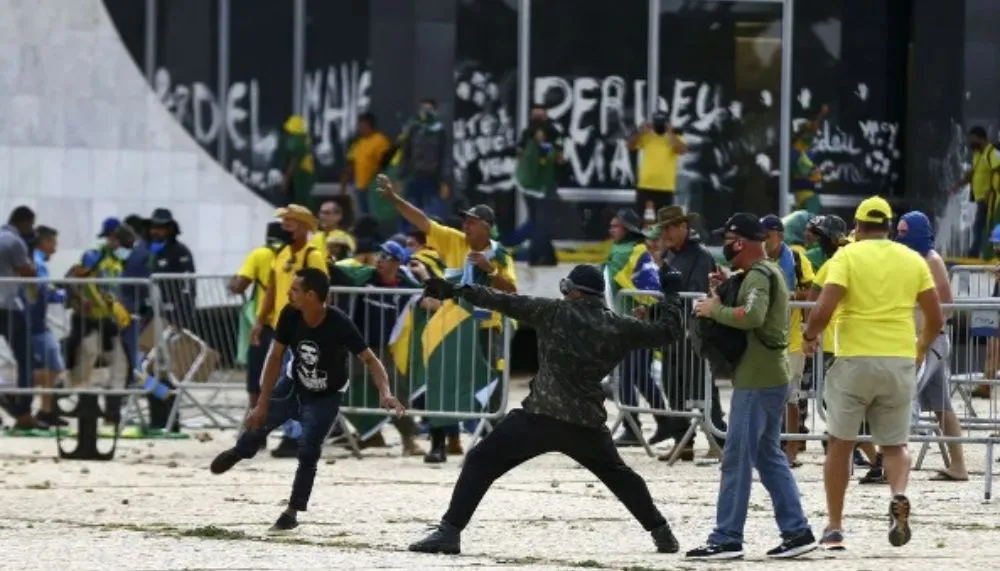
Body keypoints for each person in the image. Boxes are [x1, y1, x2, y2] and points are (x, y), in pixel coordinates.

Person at [407, 264, 685, 555]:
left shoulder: (553, 311)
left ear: (572, 291)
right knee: (621, 477)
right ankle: (662, 533)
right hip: (586, 423)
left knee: (480, 461)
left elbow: (502, 300)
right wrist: (672, 294)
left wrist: (454, 290)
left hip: (540, 417)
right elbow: (668, 331)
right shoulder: (619, 325)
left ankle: (449, 532)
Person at [210, 268, 405, 532]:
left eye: (294, 289)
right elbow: (275, 357)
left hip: (326, 396)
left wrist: (386, 392)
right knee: (258, 422)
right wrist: (262, 402)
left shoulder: (339, 323)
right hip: (292, 384)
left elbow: (371, 360)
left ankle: (291, 513)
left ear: (311, 295)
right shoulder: (290, 315)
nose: (288, 293)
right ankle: (242, 450)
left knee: (308, 451)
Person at [803, 196, 943, 549]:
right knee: (895, 445)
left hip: (854, 360)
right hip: (898, 358)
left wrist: (809, 337)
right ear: (889, 226)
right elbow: (936, 317)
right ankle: (898, 493)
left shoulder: (847, 256)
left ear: (858, 225)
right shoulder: (912, 260)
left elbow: (823, 308)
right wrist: (921, 348)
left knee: (840, 444)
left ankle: (834, 528)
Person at [685, 213, 816, 560]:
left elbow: (754, 316)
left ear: (740, 242)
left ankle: (726, 537)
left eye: (728, 239)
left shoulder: (759, 274)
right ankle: (797, 531)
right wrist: (725, 289)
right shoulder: (762, 272)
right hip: (768, 376)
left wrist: (715, 310)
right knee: (768, 456)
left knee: (736, 457)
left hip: (758, 380)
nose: (725, 246)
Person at [378, 173, 516, 461]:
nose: (465, 225)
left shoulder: (501, 256)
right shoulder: (454, 242)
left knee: (488, 386)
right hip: (450, 327)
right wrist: (393, 199)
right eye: (464, 221)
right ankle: (439, 445)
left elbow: (512, 291)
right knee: (442, 383)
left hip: (486, 328)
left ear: (487, 227)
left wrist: (490, 270)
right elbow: (422, 221)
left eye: (472, 221)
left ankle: (490, 445)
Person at [644, 206, 726, 459]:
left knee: (701, 387)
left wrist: (663, 308)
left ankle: (720, 440)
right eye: (663, 228)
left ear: (683, 227)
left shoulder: (699, 256)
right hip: (673, 331)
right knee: (673, 386)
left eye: (670, 227)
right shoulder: (669, 255)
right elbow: (669, 293)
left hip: (694, 332)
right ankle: (684, 442)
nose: (665, 233)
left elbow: (692, 292)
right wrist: (652, 312)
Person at [328, 241, 424, 455]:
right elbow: (340, 273)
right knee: (341, 389)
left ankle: (408, 439)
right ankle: (372, 434)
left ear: (397, 263)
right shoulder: (366, 276)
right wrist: (329, 264)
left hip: (384, 348)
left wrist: (425, 275)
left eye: (386, 257)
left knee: (395, 392)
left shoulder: (405, 283)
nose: (379, 260)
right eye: (379, 255)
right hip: (357, 346)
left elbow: (427, 297)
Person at [251, 205, 329, 458]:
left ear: (304, 225)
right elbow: (272, 290)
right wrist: (260, 320)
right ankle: (291, 434)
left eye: (290, 221)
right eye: (283, 221)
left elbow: (323, 293)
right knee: (278, 382)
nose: (284, 225)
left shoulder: (313, 255)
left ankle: (296, 437)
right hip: (281, 327)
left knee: (294, 384)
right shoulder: (281, 253)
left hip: (304, 327)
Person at [895, 211, 968, 481]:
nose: (900, 236)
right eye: (898, 231)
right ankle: (958, 465)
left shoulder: (931, 260)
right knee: (942, 407)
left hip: (931, 341)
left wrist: (925, 326)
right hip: (921, 339)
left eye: (904, 231)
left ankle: (889, 460)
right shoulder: (911, 259)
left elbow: (947, 305)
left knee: (903, 393)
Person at [603, 209, 670, 447]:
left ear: (628, 229)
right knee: (637, 376)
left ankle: (634, 428)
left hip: (637, 327)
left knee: (628, 376)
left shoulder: (637, 252)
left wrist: (646, 311)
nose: (611, 230)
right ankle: (663, 422)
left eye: (616, 226)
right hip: (622, 325)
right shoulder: (623, 252)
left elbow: (651, 289)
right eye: (611, 225)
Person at [761, 214, 814, 465]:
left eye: (766, 235)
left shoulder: (795, 258)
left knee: (791, 397)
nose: (762, 240)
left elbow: (813, 291)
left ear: (779, 235)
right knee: (765, 394)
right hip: (763, 337)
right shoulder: (757, 258)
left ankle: (792, 447)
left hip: (792, 337)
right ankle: (769, 445)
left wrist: (792, 295)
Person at [229, 222, 288, 432]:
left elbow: (239, 286)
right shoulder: (293, 254)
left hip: (266, 326)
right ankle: (289, 429)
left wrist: (233, 281)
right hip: (293, 325)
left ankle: (257, 428)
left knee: (257, 379)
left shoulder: (260, 254)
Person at [22, 225, 66, 427]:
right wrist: (60, 295)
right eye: (53, 243)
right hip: (34, 323)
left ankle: (45, 411)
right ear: (45, 242)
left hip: (35, 322)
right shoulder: (38, 262)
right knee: (53, 367)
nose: (55, 249)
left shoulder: (36, 260)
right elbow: (40, 289)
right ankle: (11, 390)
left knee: (53, 366)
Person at [0, 206, 38, 430]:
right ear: (25, 222)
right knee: (25, 358)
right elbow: (28, 272)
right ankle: (23, 412)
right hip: (8, 307)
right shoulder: (15, 242)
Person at [515, 104, 564, 266]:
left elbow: (560, 157)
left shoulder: (554, 132)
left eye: (539, 115)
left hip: (546, 184)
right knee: (536, 220)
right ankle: (545, 255)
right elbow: (520, 154)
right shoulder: (527, 134)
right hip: (530, 184)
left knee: (543, 221)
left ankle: (538, 255)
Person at [949, 126, 1000, 258]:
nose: (970, 143)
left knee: (982, 226)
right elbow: (972, 173)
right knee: (980, 227)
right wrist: (958, 185)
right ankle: (980, 252)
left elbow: (998, 169)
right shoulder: (978, 155)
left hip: (990, 199)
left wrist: (991, 190)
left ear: (981, 138)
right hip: (981, 198)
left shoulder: (991, 153)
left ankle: (978, 252)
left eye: (973, 139)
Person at [398, 99, 449, 226]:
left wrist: (445, 181)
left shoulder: (440, 131)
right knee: (409, 210)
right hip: (414, 176)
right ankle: (408, 239)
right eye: (423, 109)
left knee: (433, 213)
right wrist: (400, 177)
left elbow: (444, 157)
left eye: (429, 109)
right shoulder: (414, 129)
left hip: (433, 178)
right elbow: (406, 153)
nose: (425, 112)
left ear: (435, 111)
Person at [630, 111, 688, 214]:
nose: (659, 126)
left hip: (665, 186)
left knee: (663, 223)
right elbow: (630, 146)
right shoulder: (647, 136)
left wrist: (670, 132)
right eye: (657, 122)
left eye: (662, 122)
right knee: (638, 219)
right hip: (645, 185)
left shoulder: (674, 137)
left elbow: (682, 150)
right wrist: (640, 131)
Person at [343, 112, 392, 217]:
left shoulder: (380, 140)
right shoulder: (358, 142)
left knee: (375, 215)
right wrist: (344, 182)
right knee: (362, 215)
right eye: (359, 126)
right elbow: (351, 163)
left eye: (362, 125)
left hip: (374, 187)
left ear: (370, 125)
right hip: (359, 186)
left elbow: (385, 164)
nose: (360, 128)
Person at [279, 115, 317, 210]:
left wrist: (286, 180)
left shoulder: (295, 142)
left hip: (298, 177)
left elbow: (293, 162)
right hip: (307, 175)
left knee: (297, 205)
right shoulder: (306, 139)